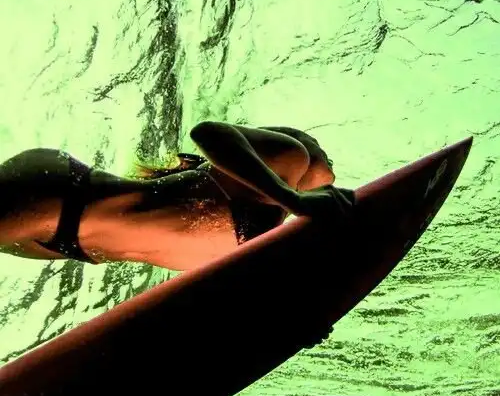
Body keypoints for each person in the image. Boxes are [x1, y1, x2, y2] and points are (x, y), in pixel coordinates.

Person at [0, 121, 354, 272]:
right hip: (64, 196)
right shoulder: (293, 158)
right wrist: (295, 200)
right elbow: (209, 133)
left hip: (67, 243)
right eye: (326, 153)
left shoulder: (269, 228)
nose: (333, 174)